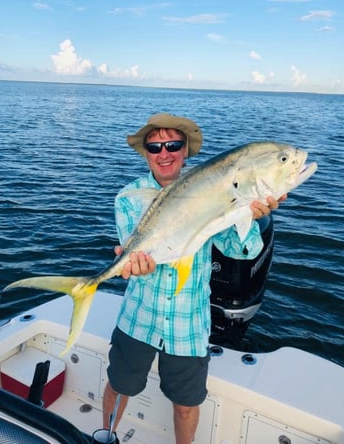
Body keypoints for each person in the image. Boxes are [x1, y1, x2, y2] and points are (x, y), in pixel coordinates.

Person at [102, 113, 283, 444]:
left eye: (173, 144)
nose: (164, 153)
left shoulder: (214, 188)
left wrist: (252, 215)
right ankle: (106, 437)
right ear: (145, 153)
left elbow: (240, 252)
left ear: (185, 150)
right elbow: (137, 251)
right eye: (154, 146)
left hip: (189, 324)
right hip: (138, 317)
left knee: (186, 406)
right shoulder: (129, 197)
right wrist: (137, 262)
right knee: (119, 387)